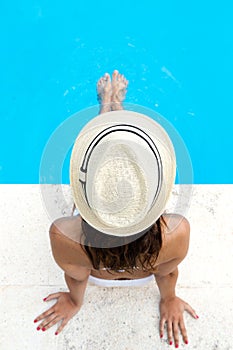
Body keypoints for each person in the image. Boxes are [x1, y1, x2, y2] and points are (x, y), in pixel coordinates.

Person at [34, 70, 198, 347]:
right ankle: (115, 107)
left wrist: (75, 302)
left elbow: (76, 276)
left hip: (97, 270)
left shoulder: (64, 235)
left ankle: (106, 107)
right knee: (127, 162)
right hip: (144, 267)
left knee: (104, 162)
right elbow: (167, 272)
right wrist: (168, 298)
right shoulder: (176, 232)